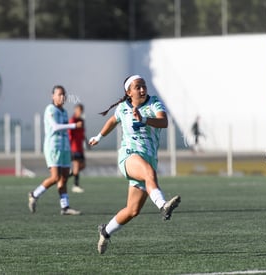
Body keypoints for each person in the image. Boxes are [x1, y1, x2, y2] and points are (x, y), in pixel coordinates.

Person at [89, 75, 181, 254]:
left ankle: (105, 231)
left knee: (132, 210)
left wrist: (144, 119)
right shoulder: (123, 108)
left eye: (143, 86)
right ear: (128, 92)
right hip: (128, 157)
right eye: (137, 87)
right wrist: (98, 137)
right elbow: (111, 121)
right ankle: (163, 206)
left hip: (148, 159)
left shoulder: (154, 103)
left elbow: (164, 122)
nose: (142, 89)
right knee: (148, 172)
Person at [28, 85, 82, 215]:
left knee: (63, 178)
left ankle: (65, 207)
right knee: (55, 177)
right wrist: (74, 125)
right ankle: (34, 194)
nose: (62, 97)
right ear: (53, 96)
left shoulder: (64, 111)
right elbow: (55, 127)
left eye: (64, 94)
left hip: (64, 148)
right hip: (53, 147)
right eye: (59, 94)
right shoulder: (50, 109)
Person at [68, 103, 87, 193]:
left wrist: (87, 142)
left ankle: (68, 174)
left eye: (81, 111)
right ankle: (75, 185)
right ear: (75, 110)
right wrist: (69, 146)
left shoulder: (81, 121)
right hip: (74, 147)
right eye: (79, 110)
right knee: (76, 165)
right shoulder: (72, 120)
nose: (80, 112)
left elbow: (83, 133)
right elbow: (69, 134)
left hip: (80, 147)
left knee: (82, 166)